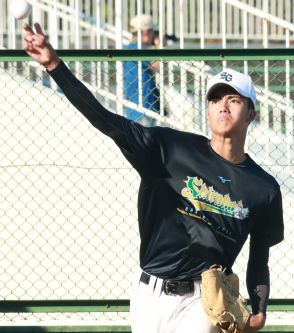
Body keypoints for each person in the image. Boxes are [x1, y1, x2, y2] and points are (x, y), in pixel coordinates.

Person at [23, 23, 284, 333]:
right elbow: (105, 119)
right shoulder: (169, 148)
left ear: (251, 113)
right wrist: (55, 66)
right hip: (150, 292)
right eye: (215, 99)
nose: (222, 106)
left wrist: (260, 309)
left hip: (205, 301)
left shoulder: (263, 188)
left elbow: (259, 256)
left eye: (234, 99)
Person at [123, 14, 160, 126]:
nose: (154, 35)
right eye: (153, 32)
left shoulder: (130, 48)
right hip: (143, 108)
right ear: (145, 33)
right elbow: (158, 65)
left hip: (137, 107)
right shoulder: (137, 48)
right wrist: (159, 46)